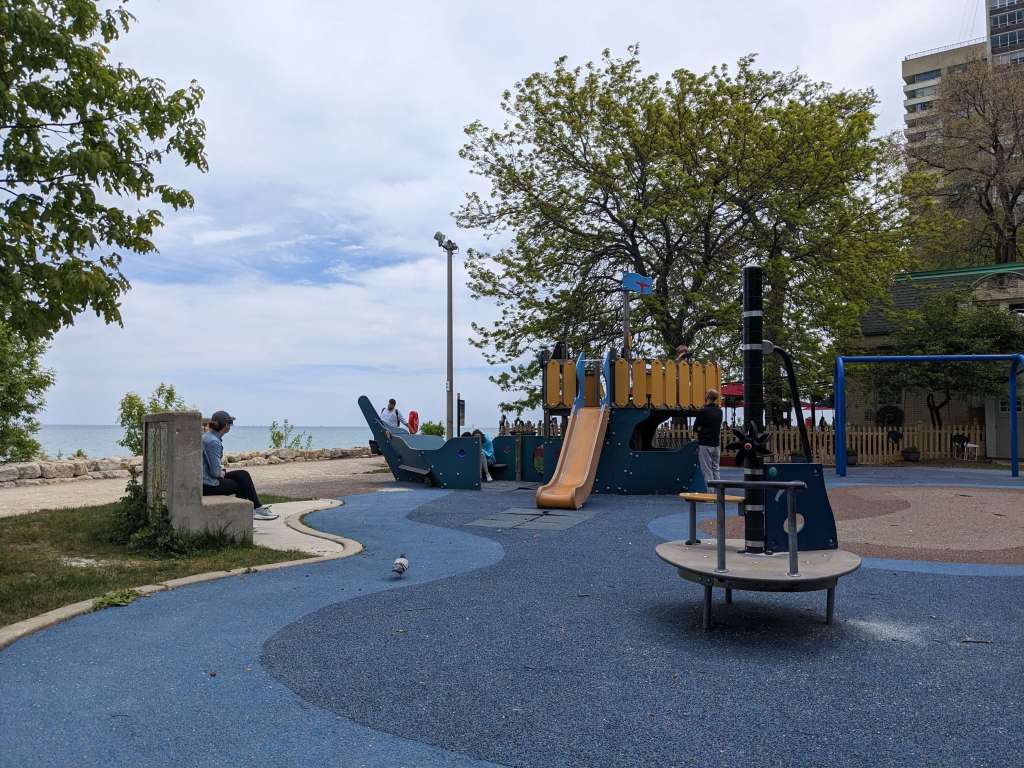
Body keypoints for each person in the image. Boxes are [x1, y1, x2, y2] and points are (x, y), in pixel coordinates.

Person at [202, 410, 278, 520]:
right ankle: (244, 517)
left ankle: (256, 509)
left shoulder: (208, 436)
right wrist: (221, 472)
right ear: (226, 425)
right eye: (230, 423)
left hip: (205, 479)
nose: (230, 426)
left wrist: (221, 470)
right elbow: (215, 473)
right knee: (241, 485)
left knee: (243, 474)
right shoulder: (213, 442)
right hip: (208, 484)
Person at [692, 389, 723, 483]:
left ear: (707, 397)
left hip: (705, 443)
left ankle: (711, 494)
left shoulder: (703, 411)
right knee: (716, 468)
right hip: (716, 443)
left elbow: (695, 427)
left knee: (707, 470)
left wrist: (701, 431)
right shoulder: (719, 411)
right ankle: (719, 493)